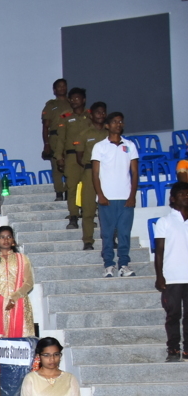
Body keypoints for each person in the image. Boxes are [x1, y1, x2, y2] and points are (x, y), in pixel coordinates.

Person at [91, 112, 140, 278]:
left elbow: (135, 172)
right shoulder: (100, 146)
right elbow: (95, 173)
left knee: (124, 233)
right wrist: (100, 195)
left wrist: (132, 196)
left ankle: (124, 264)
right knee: (107, 233)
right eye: (114, 122)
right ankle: (108, 265)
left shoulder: (130, 145)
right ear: (107, 125)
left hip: (125, 197)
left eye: (120, 121)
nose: (118, 124)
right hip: (107, 198)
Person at [0, 226, 35, 341]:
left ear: (13, 240)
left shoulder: (22, 258)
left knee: (20, 343)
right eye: (2, 237)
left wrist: (14, 298)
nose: (6, 240)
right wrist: (0, 299)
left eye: (9, 237)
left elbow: (29, 282)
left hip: (19, 302)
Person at [155, 182, 188, 361]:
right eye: (182, 194)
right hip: (172, 277)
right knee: (174, 314)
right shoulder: (165, 222)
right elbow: (159, 251)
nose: (186, 197)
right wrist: (160, 276)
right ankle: (173, 348)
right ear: (173, 199)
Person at [71, 102, 109, 251]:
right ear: (91, 115)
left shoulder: (109, 134)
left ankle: (111, 238)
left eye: (103, 112)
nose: (101, 115)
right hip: (89, 172)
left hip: (108, 173)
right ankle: (88, 240)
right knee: (88, 209)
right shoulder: (84, 134)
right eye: (98, 112)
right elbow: (79, 158)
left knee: (109, 209)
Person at [57, 88, 91, 229]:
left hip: (88, 156)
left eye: (77, 98)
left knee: (88, 188)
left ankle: (88, 215)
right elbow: (61, 139)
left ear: (84, 100)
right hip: (71, 157)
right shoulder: (65, 117)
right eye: (71, 98)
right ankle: (73, 216)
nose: (74, 101)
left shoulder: (91, 115)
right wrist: (59, 156)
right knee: (72, 187)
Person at [41, 78, 69, 202]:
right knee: (57, 166)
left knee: (69, 166)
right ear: (54, 90)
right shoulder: (51, 105)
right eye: (59, 86)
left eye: (64, 86)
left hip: (69, 138)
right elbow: (45, 126)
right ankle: (59, 193)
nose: (62, 88)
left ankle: (69, 192)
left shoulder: (72, 103)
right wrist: (46, 143)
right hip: (55, 138)